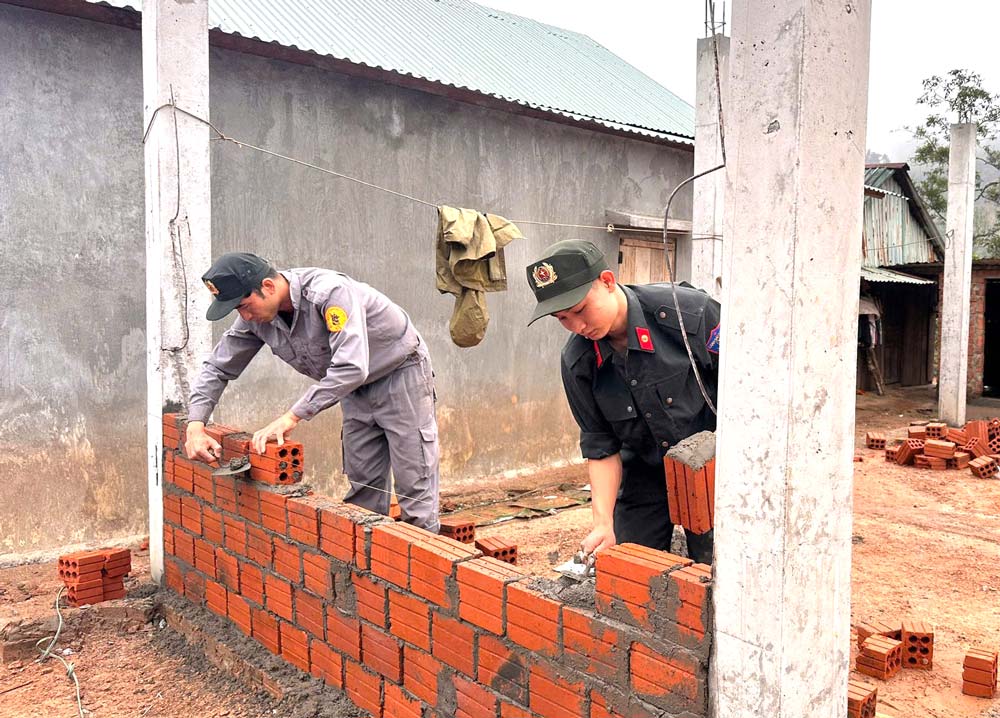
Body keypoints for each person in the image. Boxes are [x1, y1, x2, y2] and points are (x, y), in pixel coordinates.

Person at [184, 252, 440, 533]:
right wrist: (195, 426)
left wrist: (292, 417)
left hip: (399, 375)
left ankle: (428, 565)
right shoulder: (255, 318)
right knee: (363, 488)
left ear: (268, 286)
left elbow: (352, 367)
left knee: (414, 484)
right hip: (353, 389)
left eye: (245, 305)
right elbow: (218, 367)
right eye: (238, 311)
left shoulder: (329, 293)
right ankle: (368, 570)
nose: (244, 315)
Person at [526, 239, 720, 564]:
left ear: (607, 281)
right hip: (644, 471)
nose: (578, 326)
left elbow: (751, 391)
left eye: (579, 310)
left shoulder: (690, 315)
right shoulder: (578, 362)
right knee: (633, 568)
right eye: (562, 318)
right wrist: (603, 522)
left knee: (714, 569)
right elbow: (601, 446)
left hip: (713, 469)